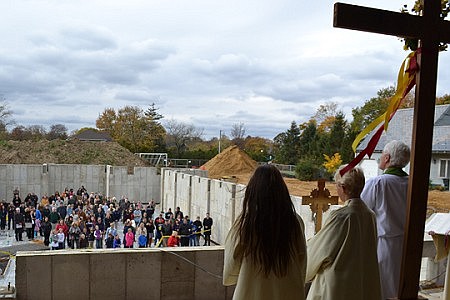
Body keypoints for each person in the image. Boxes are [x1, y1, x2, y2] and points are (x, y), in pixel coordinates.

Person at [223, 164, 307, 300]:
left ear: (253, 191)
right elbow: (302, 259)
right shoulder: (295, 222)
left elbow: (232, 259)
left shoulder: (246, 222)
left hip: (251, 291)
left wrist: (231, 276)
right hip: (288, 291)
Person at [306, 165, 381, 300]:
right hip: (362, 281)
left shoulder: (342, 216)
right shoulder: (370, 215)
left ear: (344, 188)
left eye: (336, 185)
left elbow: (321, 250)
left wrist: (304, 269)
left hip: (338, 286)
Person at [361, 140, 410, 299]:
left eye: (381, 155)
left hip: (383, 245)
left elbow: (361, 210)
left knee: (381, 289)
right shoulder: (411, 183)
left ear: (387, 158)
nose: (380, 158)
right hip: (406, 244)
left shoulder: (378, 182)